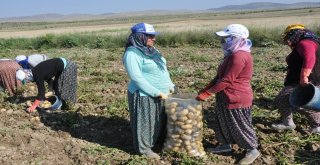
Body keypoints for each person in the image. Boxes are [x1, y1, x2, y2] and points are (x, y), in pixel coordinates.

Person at [196, 24, 260, 164]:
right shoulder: (231, 55)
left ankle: (252, 150)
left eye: (226, 39)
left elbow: (227, 80)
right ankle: (225, 145)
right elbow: (219, 77)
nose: (223, 42)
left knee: (239, 125)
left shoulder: (239, 56)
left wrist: (207, 94)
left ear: (236, 39)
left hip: (237, 97)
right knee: (222, 122)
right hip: (225, 96)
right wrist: (206, 89)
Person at [122, 23, 175, 159]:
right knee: (146, 122)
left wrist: (170, 85)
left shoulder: (152, 50)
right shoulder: (132, 54)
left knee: (160, 121)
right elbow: (137, 78)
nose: (154, 39)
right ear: (140, 36)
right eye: (150, 36)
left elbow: (163, 69)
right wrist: (156, 92)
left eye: (154, 36)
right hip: (145, 94)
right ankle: (144, 149)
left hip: (163, 93)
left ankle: (157, 141)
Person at [271, 24, 320, 133]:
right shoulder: (310, 42)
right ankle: (315, 125)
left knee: (289, 100)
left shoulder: (305, 43)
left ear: (295, 33)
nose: (288, 41)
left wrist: (304, 78)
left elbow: (310, 58)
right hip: (308, 79)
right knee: (293, 100)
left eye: (289, 37)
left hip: (303, 81)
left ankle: (289, 123)